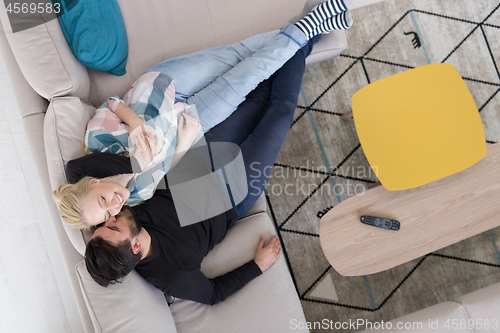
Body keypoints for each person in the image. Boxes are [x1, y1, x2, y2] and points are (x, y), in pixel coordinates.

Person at [52, 0, 353, 229]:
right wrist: (183, 142)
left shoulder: (97, 142)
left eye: (103, 201)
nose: (113, 207)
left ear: (93, 183)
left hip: (165, 85)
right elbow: (167, 170)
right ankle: (314, 22)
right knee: (249, 75)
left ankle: (314, 26)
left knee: (242, 52)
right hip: (193, 121)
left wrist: (135, 125)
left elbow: (114, 103)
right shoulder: (134, 195)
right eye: (107, 216)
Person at [84, 32, 321, 305]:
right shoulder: (170, 276)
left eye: (103, 225)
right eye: (112, 227)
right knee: (280, 112)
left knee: (259, 96)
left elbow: (75, 170)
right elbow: (213, 294)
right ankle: (309, 34)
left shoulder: (120, 208)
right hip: (234, 193)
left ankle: (307, 35)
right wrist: (257, 266)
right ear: (135, 246)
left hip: (203, 156)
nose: (110, 217)